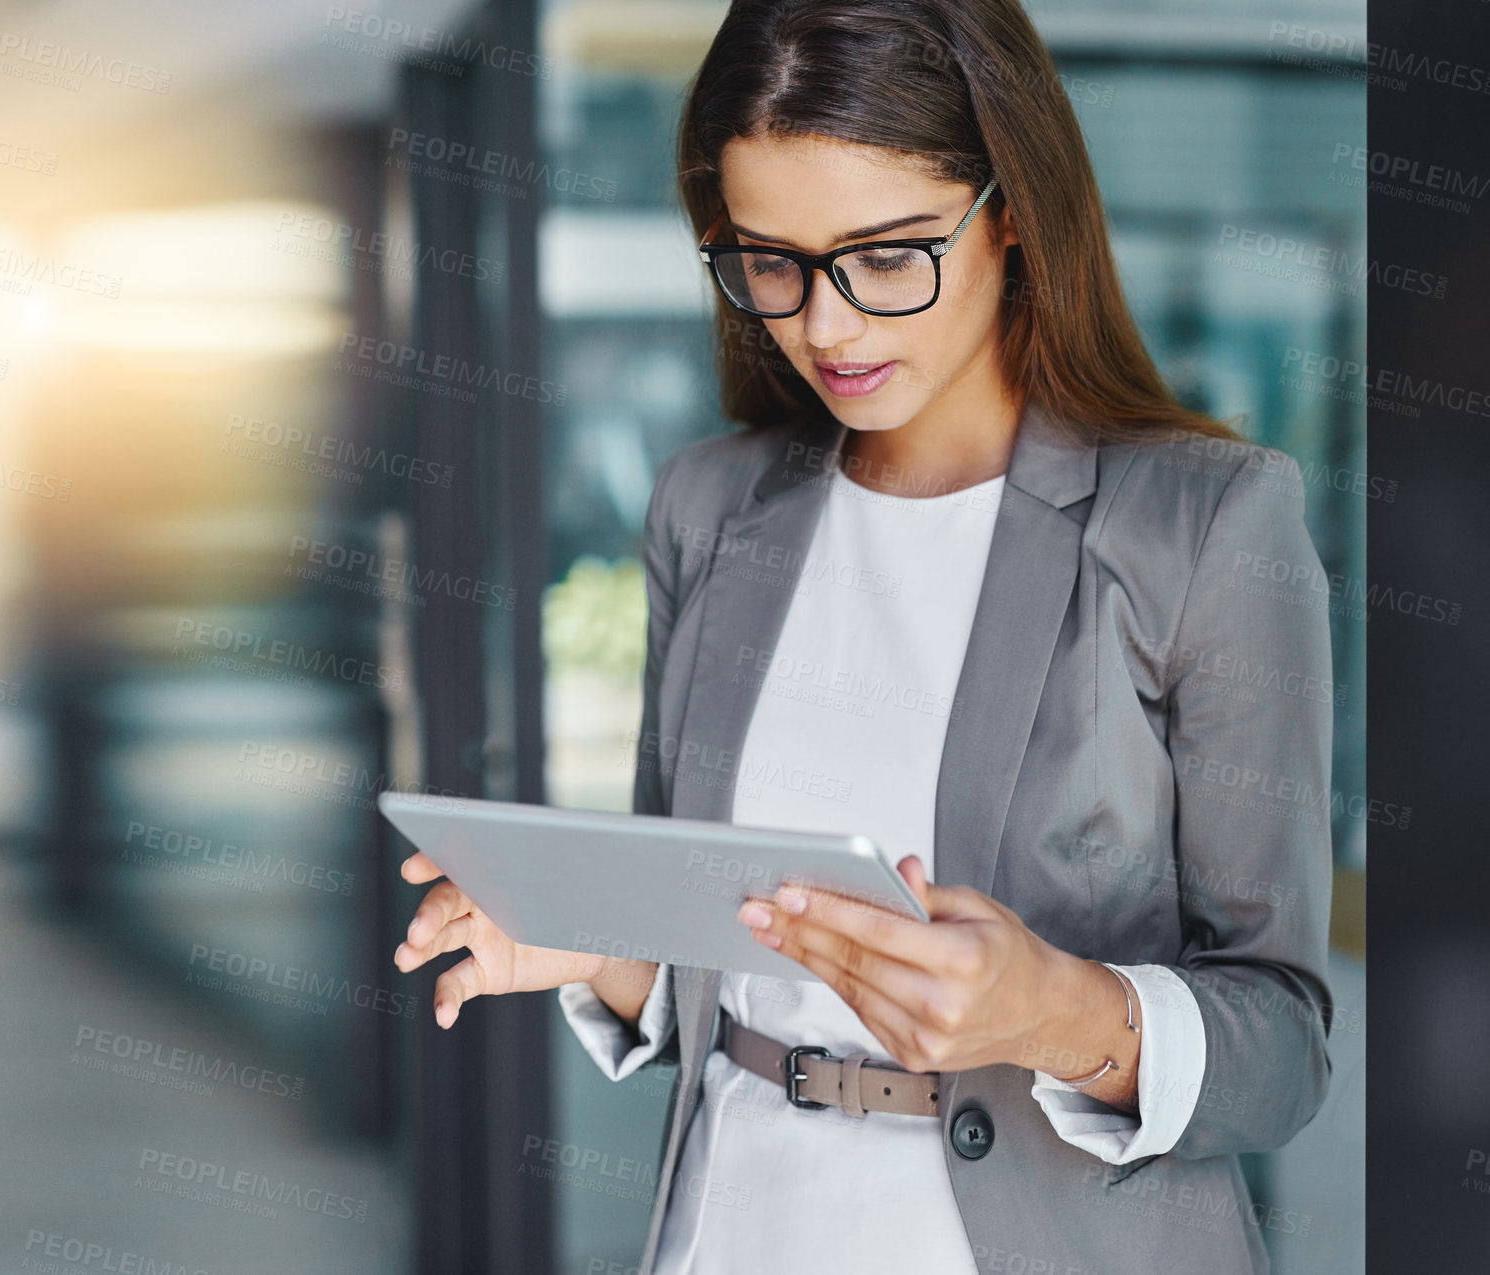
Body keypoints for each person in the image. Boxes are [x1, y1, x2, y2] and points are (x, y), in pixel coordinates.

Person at [394, 2, 1335, 1271]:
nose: (825, 327)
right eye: (768, 261)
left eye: (886, 257)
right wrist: (593, 944)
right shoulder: (709, 507)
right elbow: (725, 953)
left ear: (1010, 211)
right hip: (736, 1221)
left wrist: (1059, 1014)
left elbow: (1282, 1050)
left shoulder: (1202, 523)